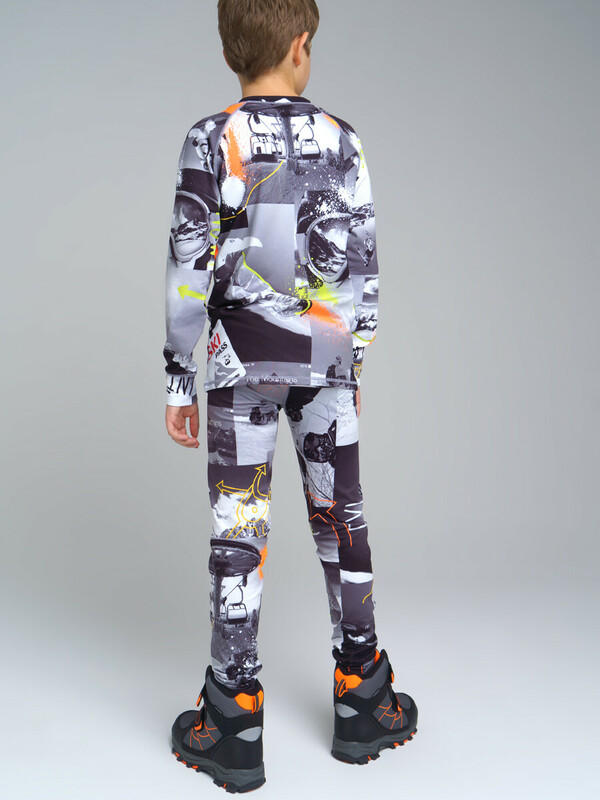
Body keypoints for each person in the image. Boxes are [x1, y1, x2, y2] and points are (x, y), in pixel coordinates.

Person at [164, 0, 418, 791]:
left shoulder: (209, 139)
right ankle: (362, 693)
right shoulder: (344, 140)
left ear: (231, 51)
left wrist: (178, 375)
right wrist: (354, 360)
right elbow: (363, 263)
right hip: (326, 362)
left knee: (237, 533)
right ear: (301, 46)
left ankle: (233, 716)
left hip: (240, 364)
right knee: (343, 522)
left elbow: (188, 265)